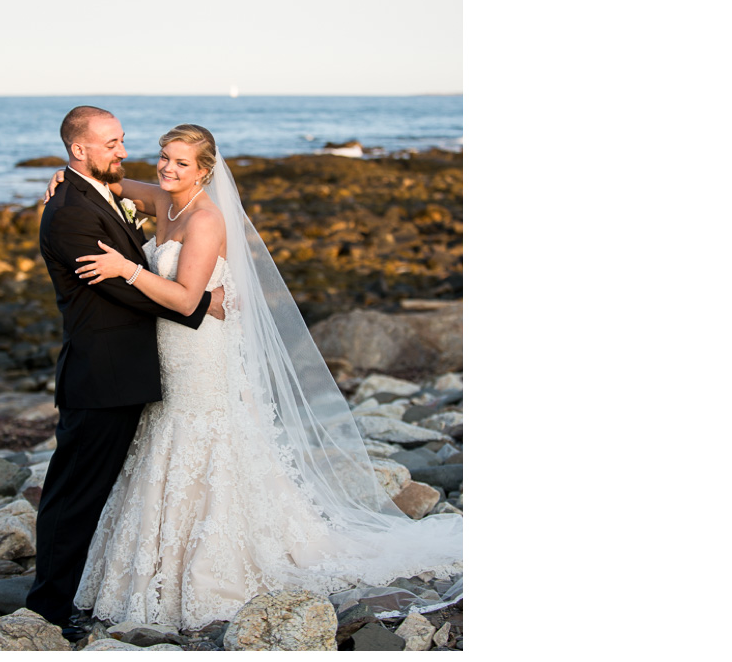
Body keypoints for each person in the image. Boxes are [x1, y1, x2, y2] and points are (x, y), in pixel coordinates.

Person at [44, 124, 463, 631]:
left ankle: (213, 562)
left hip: (197, 350)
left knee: (203, 440)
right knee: (161, 442)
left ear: (206, 171)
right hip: (162, 352)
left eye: (181, 163)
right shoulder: (164, 199)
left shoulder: (203, 218)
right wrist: (63, 178)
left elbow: (182, 298)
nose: (166, 168)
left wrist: (125, 268)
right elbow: (106, 185)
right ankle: (152, 560)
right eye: (164, 157)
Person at [25, 106, 226, 639]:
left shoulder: (94, 190)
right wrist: (202, 304)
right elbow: (118, 290)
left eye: (121, 141)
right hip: (103, 374)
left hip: (137, 369)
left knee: (108, 486)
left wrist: (72, 176)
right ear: (79, 150)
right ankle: (48, 610)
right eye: (111, 143)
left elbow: (121, 191)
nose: (123, 151)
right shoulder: (70, 212)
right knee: (76, 493)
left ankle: (106, 586)